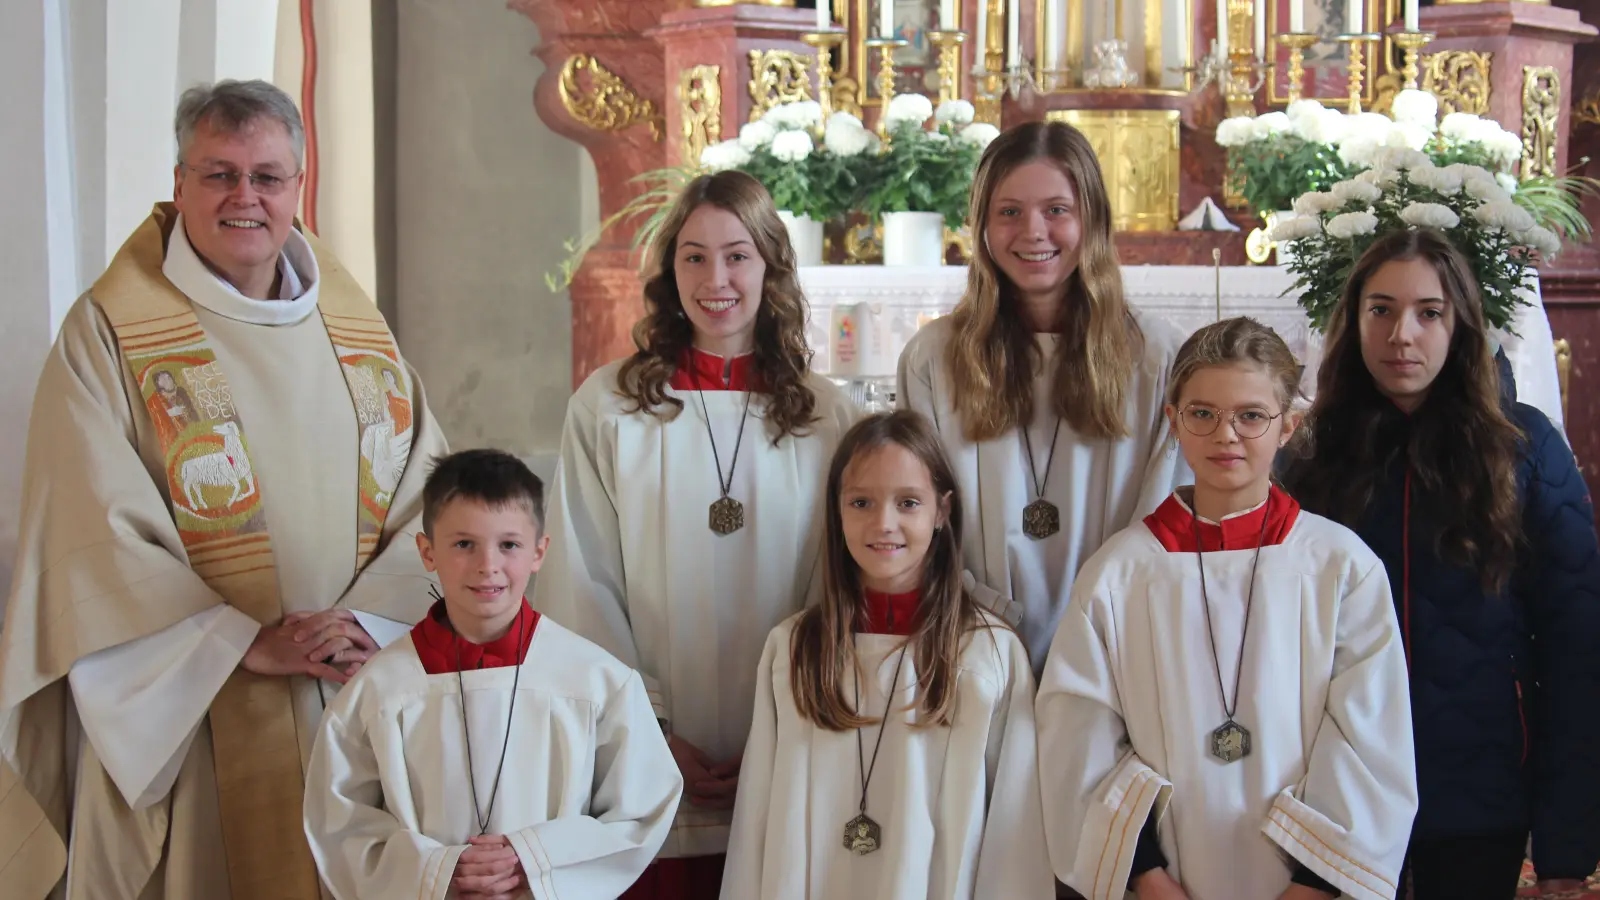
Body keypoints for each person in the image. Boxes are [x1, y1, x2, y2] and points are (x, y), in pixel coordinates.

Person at [0, 79, 447, 900]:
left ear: (298, 189)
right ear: (178, 184)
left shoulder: (355, 332)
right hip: (192, 710)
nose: (245, 197)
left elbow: (430, 496)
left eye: (267, 176)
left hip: (346, 688)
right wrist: (239, 644)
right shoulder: (109, 332)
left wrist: (370, 617)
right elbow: (87, 532)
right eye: (219, 174)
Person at [534, 169, 859, 897]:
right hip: (644, 753)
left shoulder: (824, 416)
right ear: (669, 270)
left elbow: (837, 583)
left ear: (770, 265)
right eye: (694, 256)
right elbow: (582, 583)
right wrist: (648, 731)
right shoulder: (610, 409)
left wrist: (784, 724)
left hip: (788, 739)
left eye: (738, 255)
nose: (717, 278)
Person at [1037, 317, 1418, 900]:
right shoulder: (1120, 573)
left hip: (1308, 885)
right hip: (1168, 880)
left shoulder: (1340, 566)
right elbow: (1076, 734)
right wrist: (1146, 875)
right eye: (1203, 414)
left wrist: (1316, 883)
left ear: (1288, 424)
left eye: (1251, 415)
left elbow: (1371, 736)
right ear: (1174, 422)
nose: (1226, 435)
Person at [1279, 228, 1600, 899]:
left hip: (1480, 786)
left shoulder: (1525, 449)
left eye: (1429, 312)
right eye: (1382, 310)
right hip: (1340, 788)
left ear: (1462, 324)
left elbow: (1577, 645)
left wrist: (1568, 843)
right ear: (1353, 319)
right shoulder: (1310, 456)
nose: (1403, 334)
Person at [303, 449, 682, 900]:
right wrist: (439, 870)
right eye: (464, 544)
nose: (488, 566)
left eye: (509, 545)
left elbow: (641, 809)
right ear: (427, 551)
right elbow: (341, 823)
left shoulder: (597, 681)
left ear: (540, 551)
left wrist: (533, 858)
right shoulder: (378, 691)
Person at [721, 411, 1053, 899]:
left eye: (908, 503)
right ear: (836, 511)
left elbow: (1015, 836)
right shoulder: (794, 649)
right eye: (861, 502)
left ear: (942, 512)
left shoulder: (990, 654)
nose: (884, 523)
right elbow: (757, 823)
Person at [897, 121, 1187, 672]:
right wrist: (984, 626)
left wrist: (1098, 629)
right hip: (973, 647)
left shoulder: (1155, 355)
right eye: (1009, 212)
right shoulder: (932, 359)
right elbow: (919, 516)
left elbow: (1164, 513)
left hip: (1116, 648)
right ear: (981, 225)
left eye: (1057, 210)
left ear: (1093, 220)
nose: (1033, 232)